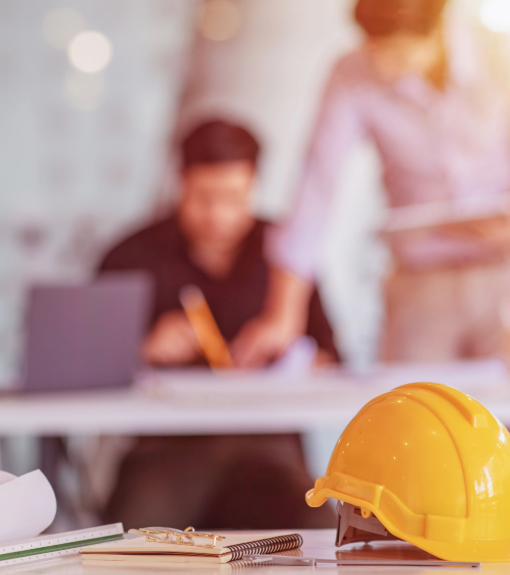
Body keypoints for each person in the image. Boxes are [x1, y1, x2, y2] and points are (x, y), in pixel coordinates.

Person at [233, 0, 510, 366]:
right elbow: (316, 187)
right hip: (421, 286)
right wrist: (283, 313)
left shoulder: (503, 55)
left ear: (438, 26)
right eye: (373, 46)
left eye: (396, 50)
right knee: (408, 415)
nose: (381, 64)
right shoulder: (352, 72)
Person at [97, 119, 336, 529]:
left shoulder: (285, 260)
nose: (218, 214)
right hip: (167, 447)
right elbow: (83, 362)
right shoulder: (130, 257)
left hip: (269, 445)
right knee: (127, 543)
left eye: (233, 197)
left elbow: (332, 360)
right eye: (203, 197)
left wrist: (289, 354)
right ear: (180, 183)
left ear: (254, 186)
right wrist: (140, 350)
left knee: (318, 534)